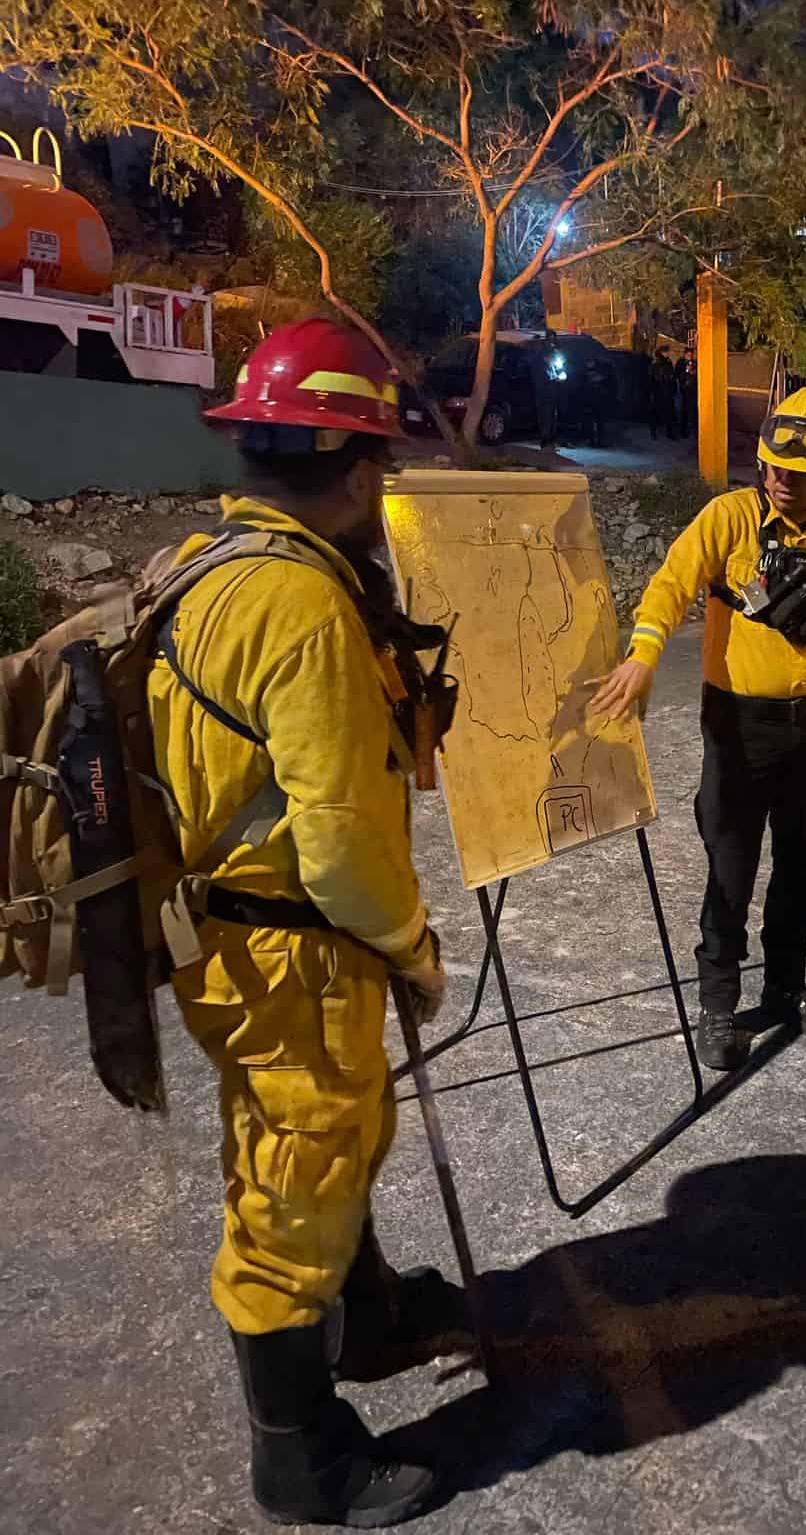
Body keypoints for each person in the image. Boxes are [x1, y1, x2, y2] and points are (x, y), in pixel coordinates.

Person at [151, 318, 464, 1527]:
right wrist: (412, 948)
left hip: (233, 936)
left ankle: (370, 1313)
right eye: (379, 461)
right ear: (350, 468)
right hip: (294, 940)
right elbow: (338, 840)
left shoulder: (211, 566)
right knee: (293, 1185)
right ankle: (302, 1458)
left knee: (318, 1139)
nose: (383, 483)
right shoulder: (303, 608)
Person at [589, 386, 806, 1071]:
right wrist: (644, 654)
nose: (779, 478)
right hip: (739, 729)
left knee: (801, 872)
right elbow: (670, 582)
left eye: (798, 472)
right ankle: (719, 1005)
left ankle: (785, 988)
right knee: (731, 872)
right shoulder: (730, 519)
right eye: (772, 464)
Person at [649, 351, 679, 441]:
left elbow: (672, 379)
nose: (667, 354)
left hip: (666, 393)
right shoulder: (655, 366)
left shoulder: (668, 365)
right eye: (666, 353)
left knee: (669, 414)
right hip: (659, 393)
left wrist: (673, 390)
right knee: (656, 414)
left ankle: (668, 433)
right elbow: (651, 380)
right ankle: (654, 432)